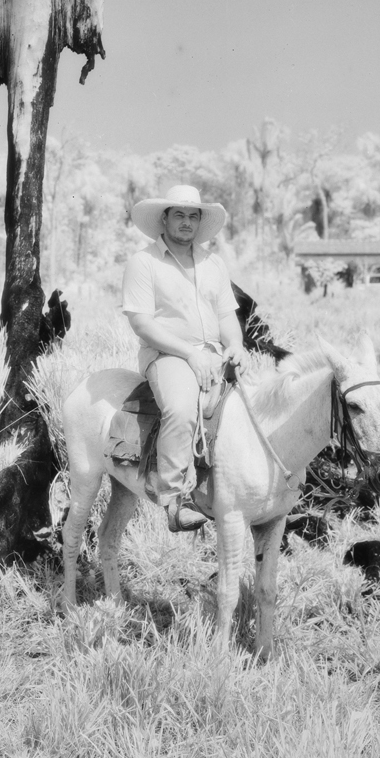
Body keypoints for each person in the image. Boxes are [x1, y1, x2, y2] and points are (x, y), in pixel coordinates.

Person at [121, 184, 247, 532]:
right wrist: (191, 353)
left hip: (214, 353)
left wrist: (236, 345)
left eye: (194, 216)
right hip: (168, 354)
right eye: (179, 214)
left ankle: (249, 489)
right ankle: (175, 501)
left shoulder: (213, 263)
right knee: (180, 407)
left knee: (254, 406)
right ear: (164, 219)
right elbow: (142, 323)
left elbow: (225, 316)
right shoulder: (143, 262)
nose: (187, 222)